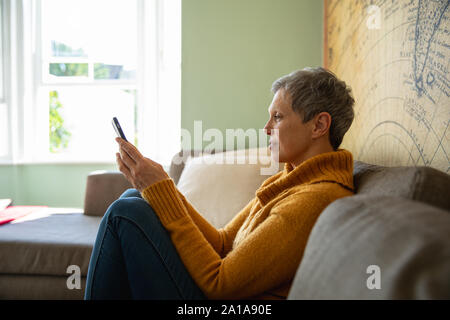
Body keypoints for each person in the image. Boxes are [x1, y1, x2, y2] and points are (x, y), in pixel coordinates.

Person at [84, 67, 356, 300]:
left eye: (278, 116)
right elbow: (224, 242)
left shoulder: (314, 199)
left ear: (319, 125)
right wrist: (159, 186)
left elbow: (220, 284)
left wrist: (162, 191)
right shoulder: (291, 183)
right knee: (134, 197)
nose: (266, 128)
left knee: (127, 213)